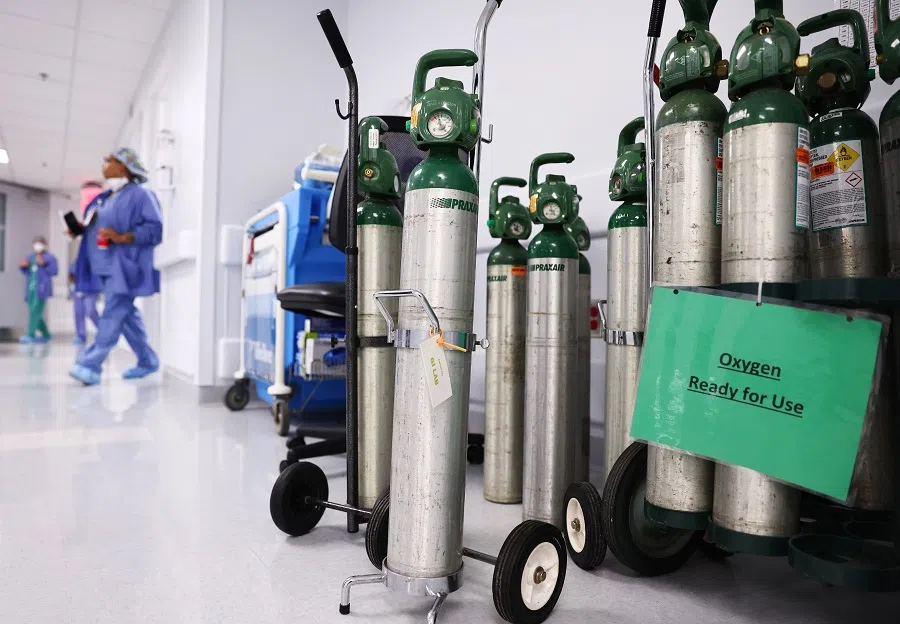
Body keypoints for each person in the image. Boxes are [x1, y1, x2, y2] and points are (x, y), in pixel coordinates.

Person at [68, 148, 163, 386]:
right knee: (126, 315)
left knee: (112, 313)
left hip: (125, 266)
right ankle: (147, 360)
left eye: (109, 160)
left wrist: (122, 237)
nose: (104, 164)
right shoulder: (107, 197)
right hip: (104, 265)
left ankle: (91, 364)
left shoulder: (141, 195)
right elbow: (98, 228)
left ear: (124, 166)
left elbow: (155, 229)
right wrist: (81, 229)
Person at [18, 237, 59, 344]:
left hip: (42, 288)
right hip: (31, 288)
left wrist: (43, 264)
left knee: (35, 310)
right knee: (34, 311)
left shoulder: (50, 258)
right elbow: (28, 271)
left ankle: (30, 334)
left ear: (45, 244)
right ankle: (46, 333)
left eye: (40, 243)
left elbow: (54, 271)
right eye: (35, 243)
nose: (38, 245)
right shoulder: (31, 257)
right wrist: (23, 266)